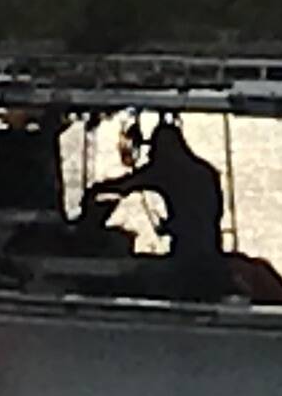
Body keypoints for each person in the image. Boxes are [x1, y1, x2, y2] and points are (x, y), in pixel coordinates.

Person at [89, 118, 229, 300]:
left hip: (188, 252)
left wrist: (97, 189)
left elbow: (128, 184)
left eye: (154, 149)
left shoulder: (167, 168)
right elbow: (213, 213)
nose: (151, 155)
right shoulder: (206, 171)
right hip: (211, 250)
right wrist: (174, 225)